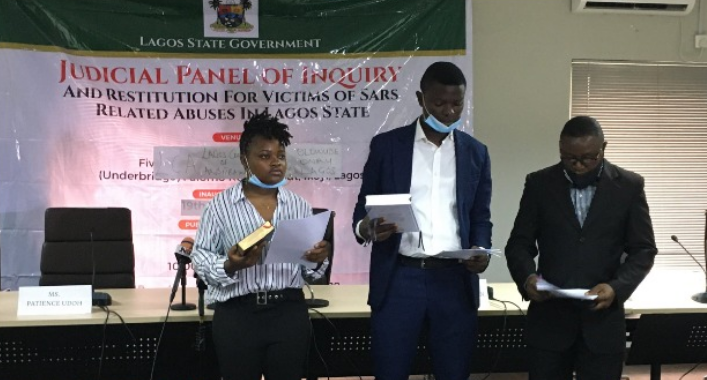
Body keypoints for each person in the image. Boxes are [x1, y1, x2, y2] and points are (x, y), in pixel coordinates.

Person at [351, 61, 492, 380]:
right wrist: (367, 228)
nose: (448, 112)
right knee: (390, 371)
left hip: (454, 281)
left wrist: (481, 248)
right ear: (420, 99)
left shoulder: (475, 153)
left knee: (454, 372)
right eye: (439, 103)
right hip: (400, 278)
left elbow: (480, 215)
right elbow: (362, 208)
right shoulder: (387, 146)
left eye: (457, 103)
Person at [505, 116, 657, 380]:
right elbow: (519, 244)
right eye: (569, 158)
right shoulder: (540, 184)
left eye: (588, 158)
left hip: (603, 325)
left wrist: (616, 288)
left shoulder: (629, 186)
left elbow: (643, 249)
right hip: (550, 322)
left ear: (603, 148)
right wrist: (527, 278)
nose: (578, 166)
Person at [191, 112, 331, 380]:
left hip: (288, 313)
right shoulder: (219, 206)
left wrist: (317, 258)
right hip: (238, 316)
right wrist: (230, 264)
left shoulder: (299, 206)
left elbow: (310, 273)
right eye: (265, 156)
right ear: (245, 159)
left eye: (280, 155)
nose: (276, 163)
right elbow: (201, 258)